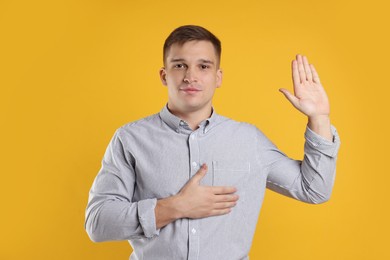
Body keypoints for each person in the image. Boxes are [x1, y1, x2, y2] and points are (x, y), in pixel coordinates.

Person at [85, 25, 340, 260]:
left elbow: (314, 189)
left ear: (218, 77)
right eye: (180, 65)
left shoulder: (248, 140)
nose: (190, 76)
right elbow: (98, 223)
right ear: (164, 75)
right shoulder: (130, 139)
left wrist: (319, 117)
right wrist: (174, 207)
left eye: (203, 66)